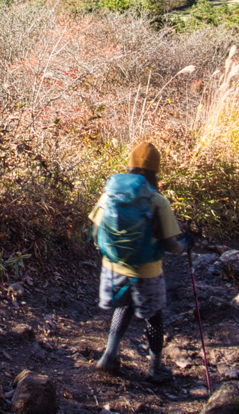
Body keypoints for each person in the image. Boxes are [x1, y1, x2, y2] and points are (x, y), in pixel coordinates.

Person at [89, 141, 192, 380]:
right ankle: (155, 368)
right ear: (155, 170)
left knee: (123, 306)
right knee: (154, 317)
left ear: (131, 165)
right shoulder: (158, 200)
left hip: (114, 268)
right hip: (147, 271)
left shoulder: (110, 193)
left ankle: (109, 356)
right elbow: (172, 245)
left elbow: (96, 232)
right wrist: (186, 245)